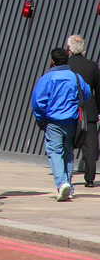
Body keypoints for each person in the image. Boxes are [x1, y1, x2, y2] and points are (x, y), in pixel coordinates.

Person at [31, 47, 92, 201]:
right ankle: (68, 187)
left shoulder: (46, 78)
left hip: (53, 122)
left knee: (55, 152)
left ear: (52, 61)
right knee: (69, 153)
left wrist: (42, 118)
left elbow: (38, 102)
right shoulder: (76, 77)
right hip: (72, 122)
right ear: (67, 60)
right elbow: (86, 94)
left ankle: (62, 183)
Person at [68, 34, 100, 187]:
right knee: (91, 145)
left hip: (68, 109)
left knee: (66, 142)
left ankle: (65, 177)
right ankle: (90, 178)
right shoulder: (93, 66)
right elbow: (98, 90)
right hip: (89, 110)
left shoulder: (65, 65)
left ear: (69, 48)